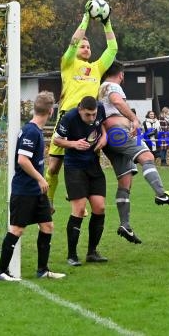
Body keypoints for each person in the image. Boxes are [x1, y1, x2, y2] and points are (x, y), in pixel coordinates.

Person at [45, 0, 117, 214]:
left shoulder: (96, 68)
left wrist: (107, 23)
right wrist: (86, 18)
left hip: (88, 122)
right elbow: (73, 43)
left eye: (88, 46)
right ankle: (48, 201)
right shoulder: (68, 64)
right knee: (54, 166)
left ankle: (79, 198)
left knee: (86, 161)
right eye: (82, 46)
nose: (85, 48)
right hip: (67, 118)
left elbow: (112, 48)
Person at [99, 61, 169, 245]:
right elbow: (116, 100)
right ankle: (161, 194)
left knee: (125, 181)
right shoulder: (113, 86)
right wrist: (134, 119)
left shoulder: (100, 87)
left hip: (110, 138)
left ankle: (125, 225)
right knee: (148, 157)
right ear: (121, 74)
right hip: (119, 133)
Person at [0, 91, 66, 281]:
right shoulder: (31, 131)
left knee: (47, 225)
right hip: (25, 190)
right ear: (51, 111)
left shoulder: (35, 130)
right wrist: (41, 179)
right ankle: (2, 271)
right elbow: (23, 160)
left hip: (36, 191)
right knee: (17, 229)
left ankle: (43, 270)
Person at [53, 96, 109, 266]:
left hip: (93, 165)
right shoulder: (69, 117)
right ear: (79, 109)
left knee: (100, 207)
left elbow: (103, 128)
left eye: (94, 114)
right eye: (87, 115)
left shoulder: (100, 108)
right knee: (79, 209)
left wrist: (104, 139)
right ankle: (72, 255)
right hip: (74, 168)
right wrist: (74, 144)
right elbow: (56, 140)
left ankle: (92, 252)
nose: (91, 118)